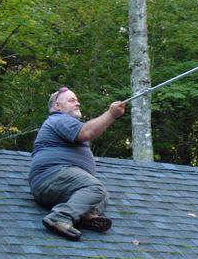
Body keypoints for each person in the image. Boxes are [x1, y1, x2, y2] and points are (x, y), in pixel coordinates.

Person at [28, 87, 125, 241]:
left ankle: (84, 216)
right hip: (52, 176)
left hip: (61, 185)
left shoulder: (65, 122)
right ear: (58, 106)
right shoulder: (58, 118)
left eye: (77, 100)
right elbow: (86, 133)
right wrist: (111, 114)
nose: (77, 103)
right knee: (95, 188)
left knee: (102, 196)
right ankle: (60, 217)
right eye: (72, 100)